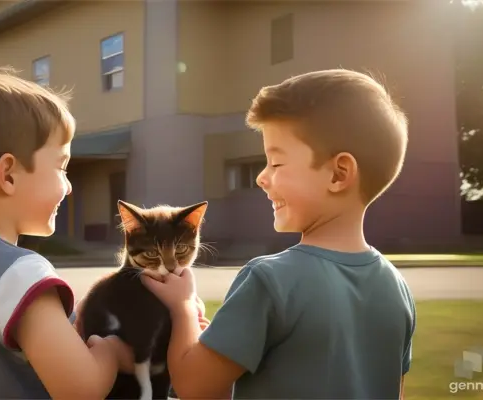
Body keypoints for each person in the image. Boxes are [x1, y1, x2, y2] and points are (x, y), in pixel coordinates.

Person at [143, 69, 417, 400]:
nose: (261, 177)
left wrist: (183, 306)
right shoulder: (397, 288)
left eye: (275, 163)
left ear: (339, 173)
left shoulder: (269, 280)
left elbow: (193, 386)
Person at [0, 64, 134, 399]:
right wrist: (112, 352)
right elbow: (82, 389)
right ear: (8, 174)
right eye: (61, 167)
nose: (69, 186)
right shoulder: (21, 273)